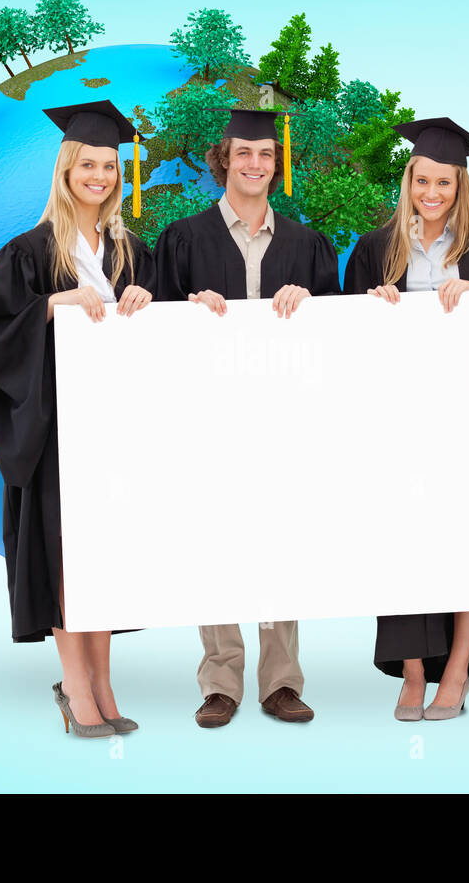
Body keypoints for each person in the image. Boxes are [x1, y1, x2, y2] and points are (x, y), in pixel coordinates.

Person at [342, 116, 469, 721]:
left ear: (462, 187)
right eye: (422, 181)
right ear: (407, 181)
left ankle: (456, 672)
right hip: (402, 422)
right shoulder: (377, 249)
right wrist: (371, 307)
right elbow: (349, 338)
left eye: (445, 184)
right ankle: (412, 673)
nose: (432, 195)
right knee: (406, 541)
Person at [153, 107, 341, 728]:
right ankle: (220, 682)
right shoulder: (182, 238)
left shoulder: (308, 244)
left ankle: (281, 682)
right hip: (206, 418)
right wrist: (186, 307)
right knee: (215, 537)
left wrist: (311, 301)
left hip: (287, 418)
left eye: (265, 155)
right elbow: (152, 328)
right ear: (223, 161)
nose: (255, 165)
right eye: (243, 155)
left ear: (275, 164)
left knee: (280, 537)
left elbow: (339, 335)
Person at [0, 100, 155, 738]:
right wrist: (52, 305)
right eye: (88, 164)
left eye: (109, 165)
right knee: (66, 559)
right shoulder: (27, 252)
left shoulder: (131, 253)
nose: (100, 176)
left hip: (116, 434)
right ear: (66, 169)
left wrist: (144, 298)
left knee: (105, 555)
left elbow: (156, 340)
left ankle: (104, 681)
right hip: (55, 435)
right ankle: (76, 686)